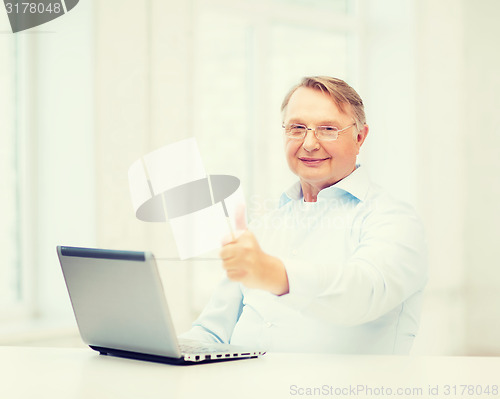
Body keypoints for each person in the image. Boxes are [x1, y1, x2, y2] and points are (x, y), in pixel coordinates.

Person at [180, 76, 428, 354]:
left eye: (328, 129)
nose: (309, 143)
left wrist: (275, 274)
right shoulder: (266, 224)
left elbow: (364, 293)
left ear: (360, 137)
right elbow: (212, 330)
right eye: (297, 128)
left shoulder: (394, 219)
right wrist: (162, 348)